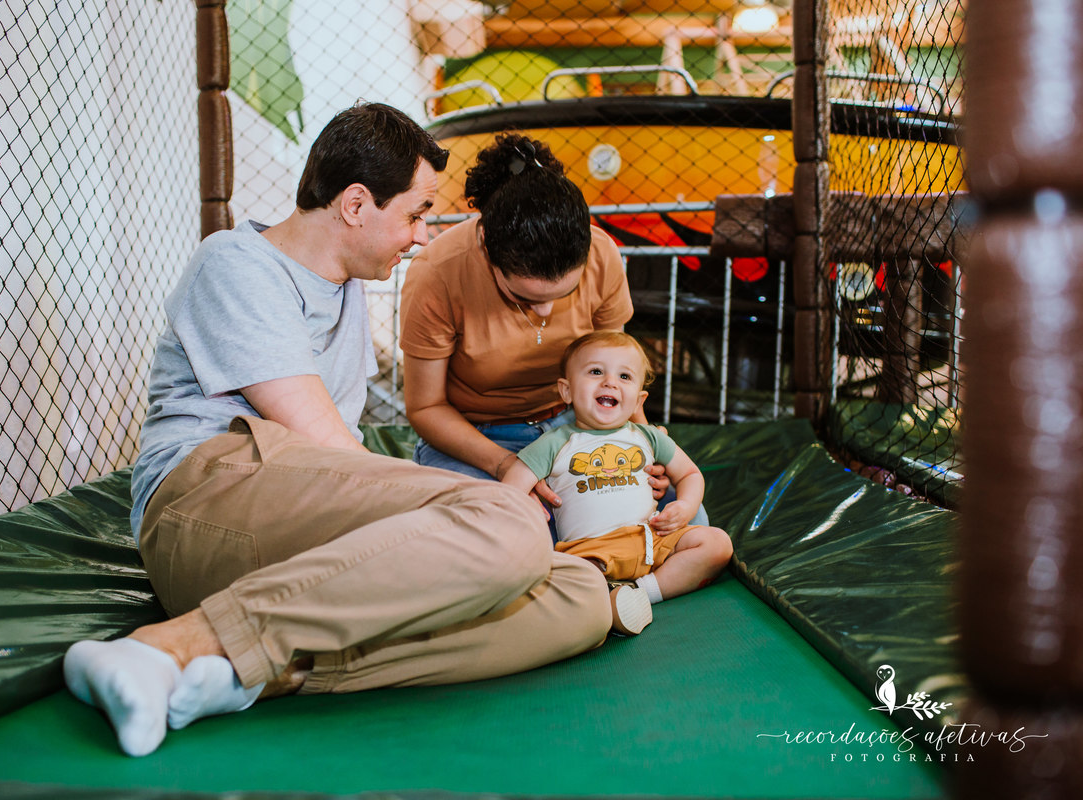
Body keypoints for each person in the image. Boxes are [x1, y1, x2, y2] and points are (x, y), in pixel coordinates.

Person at [62, 103, 612, 758]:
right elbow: (323, 444)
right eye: (415, 213)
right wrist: (459, 513)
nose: (421, 235)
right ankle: (168, 647)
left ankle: (251, 674)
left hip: (302, 552)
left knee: (581, 596)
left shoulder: (345, 286)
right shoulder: (235, 261)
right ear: (355, 205)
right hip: (206, 503)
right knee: (507, 524)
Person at [400, 133, 707, 527]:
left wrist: (640, 442)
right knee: (512, 533)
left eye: (565, 292)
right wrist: (509, 466)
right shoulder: (437, 274)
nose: (545, 310)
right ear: (487, 248)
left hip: (580, 424)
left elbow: (618, 366)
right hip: (477, 439)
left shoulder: (603, 254)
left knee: (686, 520)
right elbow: (426, 407)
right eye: (523, 296)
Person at [501, 331, 733, 636]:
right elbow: (509, 491)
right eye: (596, 372)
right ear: (566, 391)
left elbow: (689, 474)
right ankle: (609, 599)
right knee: (559, 583)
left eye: (624, 376)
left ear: (638, 399)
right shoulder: (554, 443)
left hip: (652, 540)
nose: (610, 382)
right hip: (590, 553)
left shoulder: (648, 436)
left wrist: (686, 506)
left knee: (717, 544)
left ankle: (643, 593)